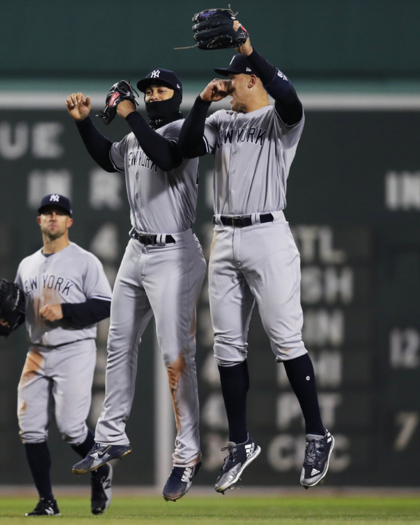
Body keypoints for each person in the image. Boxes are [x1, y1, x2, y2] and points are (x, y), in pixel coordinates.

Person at [177, 25, 335, 491]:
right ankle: (240, 443)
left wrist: (248, 50)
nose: (227, 83)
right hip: (224, 234)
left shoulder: (278, 121)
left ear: (252, 81)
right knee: (226, 346)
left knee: (286, 339)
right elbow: (185, 148)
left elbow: (289, 97)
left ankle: (317, 433)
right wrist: (204, 100)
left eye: (234, 78)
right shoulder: (220, 121)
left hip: (268, 233)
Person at [65, 69, 206, 501]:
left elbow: (167, 158)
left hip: (175, 252)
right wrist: (84, 122)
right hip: (137, 248)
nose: (153, 95)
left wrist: (129, 114)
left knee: (175, 357)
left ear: (176, 96)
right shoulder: (135, 136)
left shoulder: (184, 130)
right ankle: (111, 435)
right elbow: (108, 157)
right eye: (148, 91)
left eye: (161, 90)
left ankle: (187, 455)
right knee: (119, 343)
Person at [0, 193, 113, 516]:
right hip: (37, 351)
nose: (53, 217)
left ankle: (101, 469)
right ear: (39, 221)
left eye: (60, 213)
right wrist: (5, 323)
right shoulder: (27, 265)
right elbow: (18, 311)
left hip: (75, 348)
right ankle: (47, 502)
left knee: (71, 427)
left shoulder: (85, 260)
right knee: (29, 427)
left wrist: (66, 310)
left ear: (69, 221)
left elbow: (105, 304)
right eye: (48, 212)